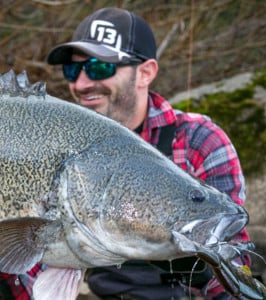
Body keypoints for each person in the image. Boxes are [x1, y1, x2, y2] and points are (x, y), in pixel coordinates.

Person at [0, 7, 251, 300]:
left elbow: (236, 262)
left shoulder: (201, 141)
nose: (81, 83)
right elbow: (20, 265)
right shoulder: (53, 135)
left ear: (146, 72)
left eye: (100, 67)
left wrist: (212, 272)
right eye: (72, 69)